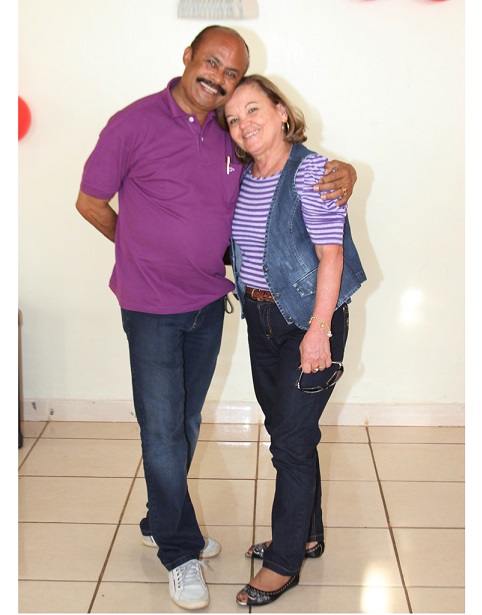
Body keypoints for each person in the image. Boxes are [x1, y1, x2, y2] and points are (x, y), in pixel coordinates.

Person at [75, 26, 357, 611]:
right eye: (213, 65)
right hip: (170, 308)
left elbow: (319, 231)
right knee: (170, 429)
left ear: (279, 112)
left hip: (239, 311)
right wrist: (136, 248)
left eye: (238, 82)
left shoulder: (267, 155)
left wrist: (344, 172)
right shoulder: (142, 127)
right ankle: (180, 547)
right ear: (188, 58)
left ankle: (258, 546)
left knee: (213, 427)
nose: (223, 86)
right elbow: (91, 201)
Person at [220, 75, 366, 607]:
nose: (243, 125)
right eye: (233, 119)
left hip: (308, 322)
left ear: (282, 112)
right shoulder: (243, 176)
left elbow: (332, 255)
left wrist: (318, 332)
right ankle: (306, 534)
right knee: (289, 431)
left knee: (289, 441)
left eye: (253, 110)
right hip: (260, 319)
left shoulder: (313, 173)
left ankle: (284, 563)